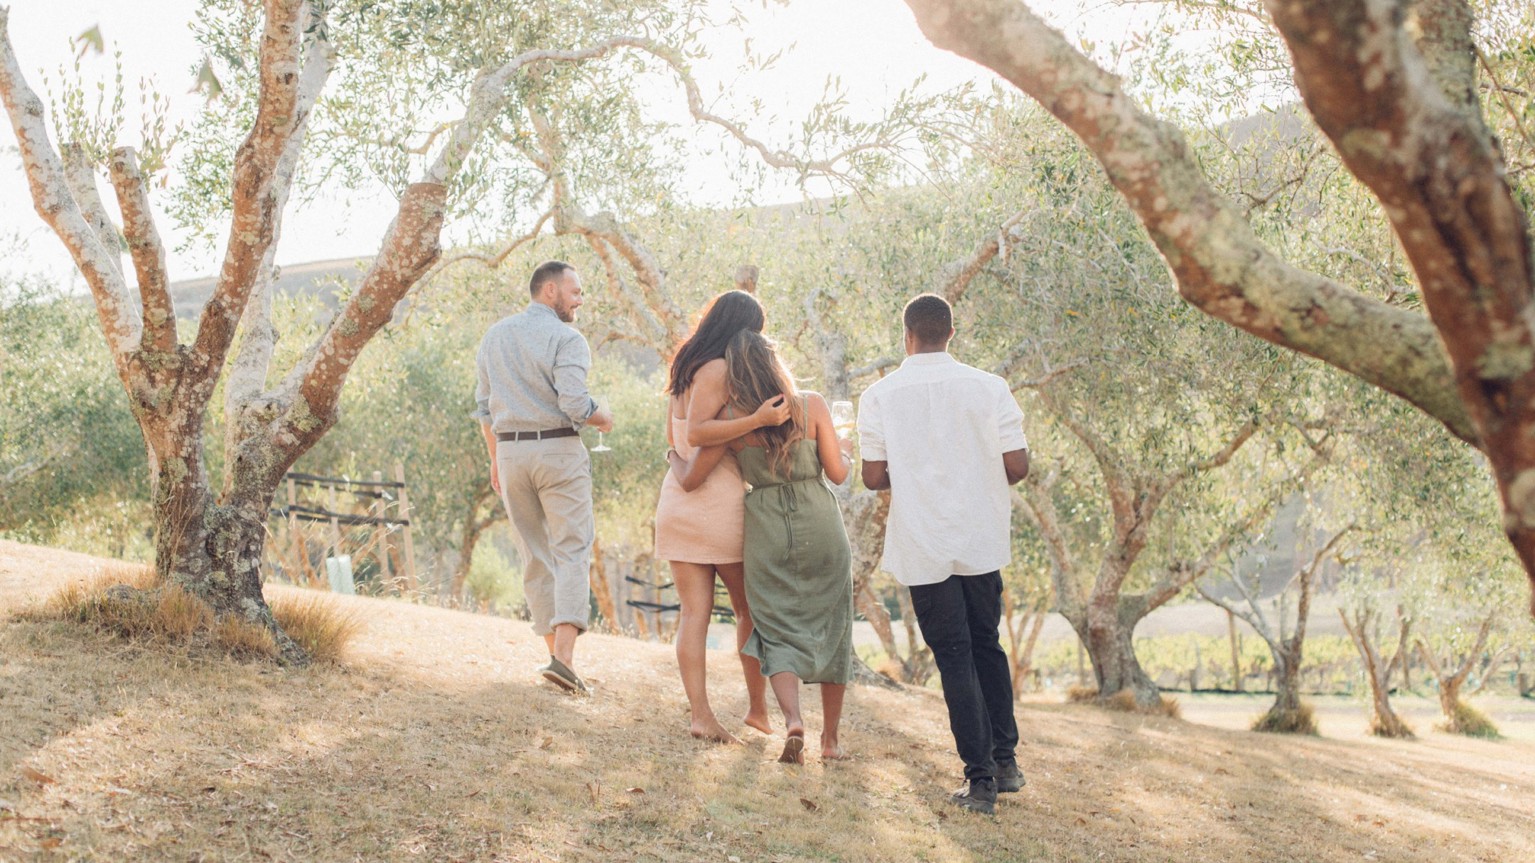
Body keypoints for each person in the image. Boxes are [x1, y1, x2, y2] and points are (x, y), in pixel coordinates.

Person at [857, 293, 1030, 815]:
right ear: (950, 333)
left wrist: (913, 469)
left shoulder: (880, 395)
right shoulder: (990, 387)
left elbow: (871, 477)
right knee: (986, 645)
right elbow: (1018, 465)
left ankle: (979, 782)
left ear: (906, 335)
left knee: (953, 654)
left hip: (924, 539)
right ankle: (1005, 764)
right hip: (979, 535)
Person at [681, 329, 854, 765]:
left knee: (774, 626)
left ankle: (792, 718)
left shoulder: (735, 420)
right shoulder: (811, 405)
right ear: (778, 365)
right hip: (821, 522)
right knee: (834, 626)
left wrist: (673, 459)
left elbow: (692, 473)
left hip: (767, 530)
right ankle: (830, 741)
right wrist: (846, 453)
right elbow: (837, 473)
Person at [474, 260, 613, 694]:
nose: (580, 299)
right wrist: (601, 416)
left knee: (534, 554)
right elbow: (575, 403)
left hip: (510, 453)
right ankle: (565, 660)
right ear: (549, 290)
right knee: (571, 549)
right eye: (575, 290)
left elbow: (482, 408)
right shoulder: (567, 338)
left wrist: (496, 459)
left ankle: (557, 661)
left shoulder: (494, 335)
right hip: (558, 450)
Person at [655, 290, 787, 743]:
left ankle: (705, 715)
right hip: (717, 505)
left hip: (676, 504)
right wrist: (758, 421)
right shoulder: (719, 370)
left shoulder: (685, 370)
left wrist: (677, 464)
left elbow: (675, 444)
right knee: (749, 610)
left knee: (694, 615)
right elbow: (700, 434)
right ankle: (755, 709)